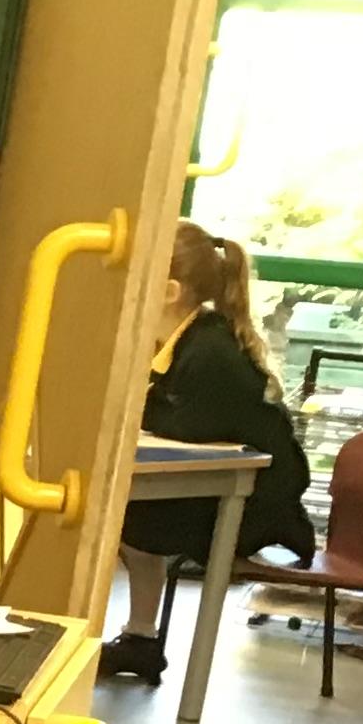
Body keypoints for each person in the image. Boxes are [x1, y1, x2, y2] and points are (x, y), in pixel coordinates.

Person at [105, 220, 315, 683]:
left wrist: (137, 408)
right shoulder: (182, 340)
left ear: (168, 291)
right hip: (225, 487)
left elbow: (191, 425)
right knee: (123, 516)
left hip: (255, 503)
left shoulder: (210, 348)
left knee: (117, 516)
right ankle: (140, 639)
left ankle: (139, 638)